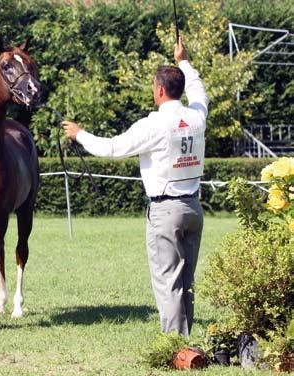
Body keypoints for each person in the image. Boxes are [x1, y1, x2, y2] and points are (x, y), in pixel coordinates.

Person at [62, 38, 208, 338]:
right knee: (186, 281)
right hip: (194, 207)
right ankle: (186, 342)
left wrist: (80, 135)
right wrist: (184, 60)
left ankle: (176, 347)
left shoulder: (153, 125)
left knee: (168, 281)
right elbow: (199, 90)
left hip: (166, 211)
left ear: (159, 91)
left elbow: (113, 148)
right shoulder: (197, 116)